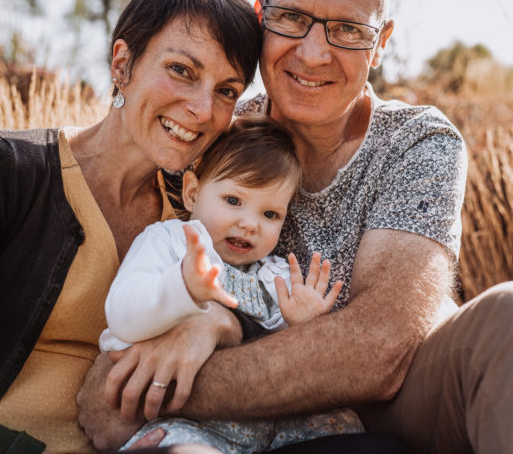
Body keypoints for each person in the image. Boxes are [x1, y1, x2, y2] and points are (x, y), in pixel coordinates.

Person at [78, 0, 513, 453]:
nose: (312, 52)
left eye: (348, 29)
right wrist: (179, 331)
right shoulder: (223, 134)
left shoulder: (416, 141)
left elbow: (383, 349)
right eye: (292, 19)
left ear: (380, 43)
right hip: (327, 419)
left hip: (406, 380)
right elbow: (156, 278)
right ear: (263, 19)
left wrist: (187, 364)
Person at [0, 0, 263, 454]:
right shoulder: (4, 170)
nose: (202, 109)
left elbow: (261, 308)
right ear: (122, 63)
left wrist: (218, 322)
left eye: (227, 91)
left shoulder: (196, 216)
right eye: (181, 70)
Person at [102, 117, 362, 453]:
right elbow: (120, 315)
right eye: (234, 201)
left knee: (349, 426)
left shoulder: (275, 276)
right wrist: (181, 287)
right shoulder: (171, 242)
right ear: (193, 192)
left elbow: (292, 363)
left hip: (264, 422)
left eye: (270, 214)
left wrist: (303, 324)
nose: (250, 224)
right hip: (182, 421)